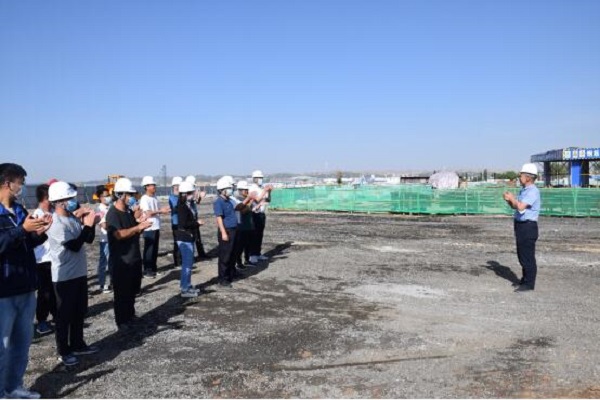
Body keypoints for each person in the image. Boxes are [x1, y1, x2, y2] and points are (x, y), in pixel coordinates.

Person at [0, 163, 51, 399]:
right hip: (4, 290)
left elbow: (26, 243)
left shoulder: (19, 210)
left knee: (21, 343)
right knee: (2, 345)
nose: (22, 187)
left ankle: (14, 386)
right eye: (20, 182)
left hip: (26, 286)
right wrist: (22, 230)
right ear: (7, 183)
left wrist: (39, 232)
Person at [47, 181, 98, 367]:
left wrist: (91, 225)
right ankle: (63, 350)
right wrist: (87, 226)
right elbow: (74, 246)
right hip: (64, 276)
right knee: (64, 315)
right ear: (59, 201)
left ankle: (78, 344)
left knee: (79, 311)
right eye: (69, 198)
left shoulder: (72, 218)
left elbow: (88, 239)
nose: (73, 202)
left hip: (79, 272)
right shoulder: (56, 223)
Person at [106, 178, 152, 331]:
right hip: (122, 261)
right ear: (120, 195)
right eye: (129, 194)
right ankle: (122, 321)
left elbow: (133, 232)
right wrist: (138, 227)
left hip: (134, 257)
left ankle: (130, 316)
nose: (132, 197)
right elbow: (118, 234)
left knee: (132, 290)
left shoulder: (128, 212)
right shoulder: (113, 214)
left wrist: (141, 225)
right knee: (122, 293)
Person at [503, 163, 542, 293]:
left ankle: (529, 284)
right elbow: (516, 206)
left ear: (528, 177)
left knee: (527, 256)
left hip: (528, 226)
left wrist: (513, 199)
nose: (519, 178)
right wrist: (509, 200)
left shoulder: (533, 191)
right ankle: (525, 280)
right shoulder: (524, 190)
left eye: (521, 175)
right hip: (521, 225)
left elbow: (520, 206)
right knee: (522, 254)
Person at [32, 184, 57, 336]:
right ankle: (41, 321)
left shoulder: (53, 212)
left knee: (55, 291)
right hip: (43, 260)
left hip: (55, 258)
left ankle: (56, 315)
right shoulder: (38, 215)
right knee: (44, 292)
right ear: (46, 198)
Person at [175, 181, 203, 297]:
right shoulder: (182, 207)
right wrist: (197, 223)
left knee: (188, 264)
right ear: (185, 194)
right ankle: (185, 289)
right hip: (184, 237)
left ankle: (187, 285)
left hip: (188, 237)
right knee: (187, 265)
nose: (192, 194)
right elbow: (183, 224)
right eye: (191, 193)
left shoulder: (187, 204)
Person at [139, 176, 169, 278]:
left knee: (154, 250)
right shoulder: (144, 199)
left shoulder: (154, 197)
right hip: (149, 227)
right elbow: (148, 213)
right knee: (149, 250)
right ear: (146, 187)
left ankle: (153, 269)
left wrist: (163, 210)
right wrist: (161, 211)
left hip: (156, 226)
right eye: (152, 185)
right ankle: (147, 270)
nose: (154, 187)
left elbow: (156, 210)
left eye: (154, 185)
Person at [213, 176, 238, 288]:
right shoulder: (218, 202)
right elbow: (219, 218)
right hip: (226, 230)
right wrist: (223, 232)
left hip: (233, 229)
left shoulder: (229, 201)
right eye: (228, 188)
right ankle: (222, 279)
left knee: (232, 254)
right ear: (222, 190)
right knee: (225, 256)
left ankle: (230, 274)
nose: (230, 190)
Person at [248, 170, 273, 264]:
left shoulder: (262, 187)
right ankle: (252, 255)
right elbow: (257, 199)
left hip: (262, 213)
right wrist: (265, 190)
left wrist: (269, 192)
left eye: (261, 178)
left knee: (260, 234)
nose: (260, 180)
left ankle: (258, 253)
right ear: (254, 179)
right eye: (259, 178)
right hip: (254, 213)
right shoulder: (252, 188)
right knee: (254, 234)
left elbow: (268, 200)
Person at [232, 181, 256, 269]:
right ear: (240, 190)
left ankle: (247, 259)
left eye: (247, 190)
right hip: (241, 226)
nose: (247, 192)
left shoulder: (246, 198)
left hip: (249, 225)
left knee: (248, 244)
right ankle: (238, 262)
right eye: (245, 190)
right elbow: (243, 211)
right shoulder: (237, 199)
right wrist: (250, 201)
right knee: (240, 246)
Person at [185, 175, 207, 259]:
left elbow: (197, 202)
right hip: (190, 216)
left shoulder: (194, 190)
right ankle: (192, 255)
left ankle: (201, 253)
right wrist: (197, 196)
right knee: (192, 235)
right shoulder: (186, 191)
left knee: (197, 235)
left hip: (194, 214)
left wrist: (200, 197)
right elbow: (189, 201)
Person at [95, 185, 112, 293]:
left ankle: (111, 282)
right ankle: (103, 284)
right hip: (105, 239)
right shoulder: (99, 209)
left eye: (108, 195)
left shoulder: (110, 207)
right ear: (100, 197)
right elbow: (104, 225)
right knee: (104, 262)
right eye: (105, 196)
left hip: (112, 237)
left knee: (112, 262)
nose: (108, 197)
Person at [168, 176, 183, 267]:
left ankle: (182, 259)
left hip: (182, 222)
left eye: (179, 185)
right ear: (173, 186)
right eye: (176, 185)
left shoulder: (181, 197)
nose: (178, 187)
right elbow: (176, 207)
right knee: (177, 243)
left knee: (182, 242)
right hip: (176, 223)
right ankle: (177, 262)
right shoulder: (172, 197)